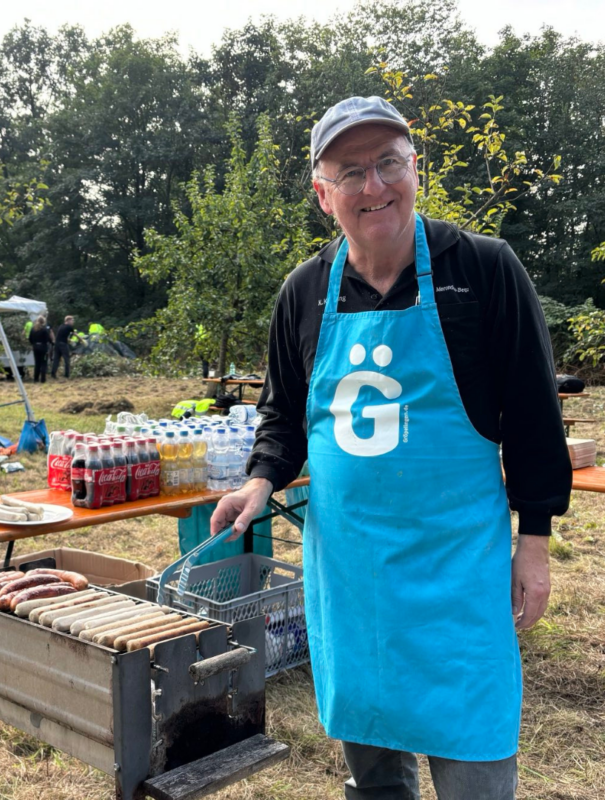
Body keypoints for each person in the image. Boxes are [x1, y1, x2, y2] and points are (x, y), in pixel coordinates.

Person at [210, 96, 572, 800]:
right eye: (350, 172)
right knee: (372, 774)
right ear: (323, 194)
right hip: (350, 575)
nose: (373, 187)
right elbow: (284, 416)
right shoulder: (305, 292)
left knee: (475, 766)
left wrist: (533, 543)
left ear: (416, 170)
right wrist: (260, 480)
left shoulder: (486, 271)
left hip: (455, 574)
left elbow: (534, 417)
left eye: (388, 163)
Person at [51, 315, 81, 379]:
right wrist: (82, 340)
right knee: (67, 359)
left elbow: (62, 335)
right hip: (63, 345)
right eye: (72, 320)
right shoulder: (69, 327)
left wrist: (69, 340)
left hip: (57, 344)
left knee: (56, 359)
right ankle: (67, 375)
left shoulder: (61, 326)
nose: (73, 322)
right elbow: (75, 334)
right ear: (68, 320)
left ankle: (53, 374)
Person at [28, 315, 54, 383]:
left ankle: (35, 379)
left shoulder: (33, 329)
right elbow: (48, 339)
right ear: (44, 322)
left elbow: (30, 338)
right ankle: (43, 379)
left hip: (35, 347)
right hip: (43, 347)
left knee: (37, 363)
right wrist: (52, 343)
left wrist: (34, 344)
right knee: (44, 363)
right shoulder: (44, 330)